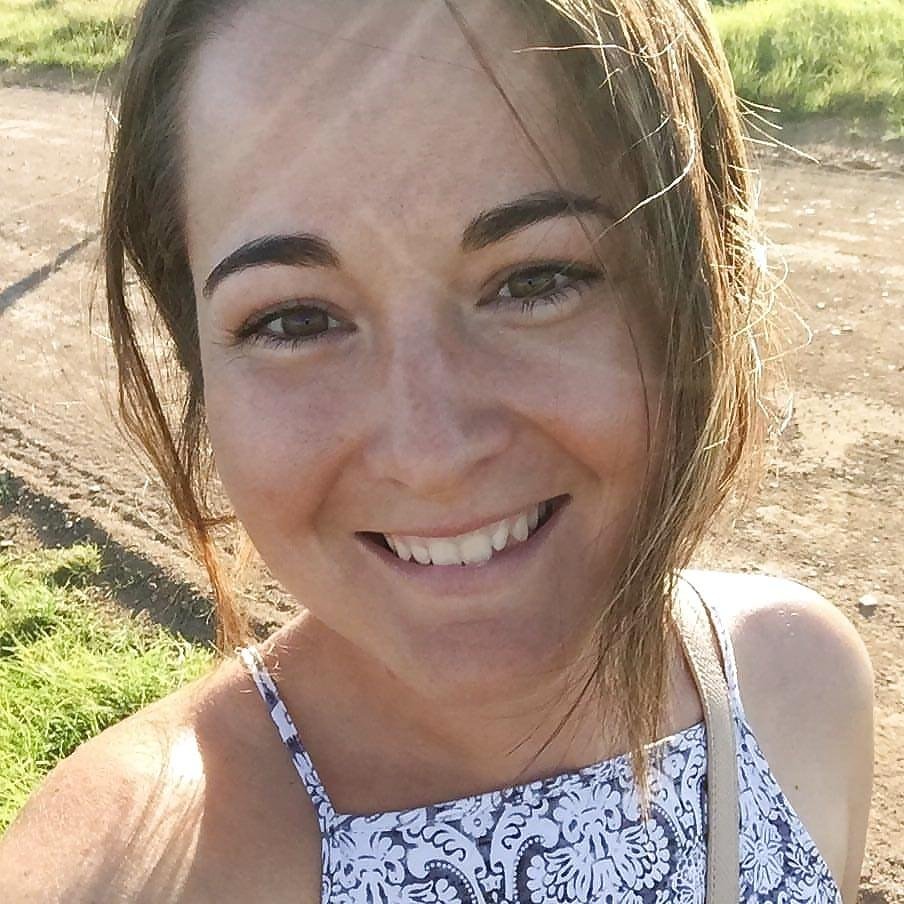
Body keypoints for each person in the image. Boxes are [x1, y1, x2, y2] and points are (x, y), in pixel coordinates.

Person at [0, 0, 873, 901]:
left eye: (536, 280)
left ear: (707, 278)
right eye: (293, 320)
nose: (432, 455)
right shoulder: (121, 877)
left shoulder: (799, 686)